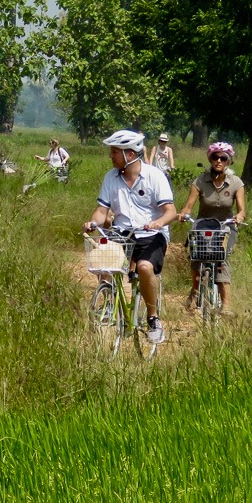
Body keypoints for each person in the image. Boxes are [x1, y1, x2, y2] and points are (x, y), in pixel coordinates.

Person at [82, 129, 177, 344]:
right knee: (102, 260)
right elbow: (101, 210)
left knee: (144, 268)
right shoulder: (110, 177)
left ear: (130, 155)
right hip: (122, 233)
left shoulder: (155, 176)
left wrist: (159, 222)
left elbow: (170, 211)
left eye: (114, 152)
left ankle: (153, 318)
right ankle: (108, 302)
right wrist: (93, 222)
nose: (110, 156)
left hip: (151, 234)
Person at [177, 141, 246, 315]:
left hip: (225, 227)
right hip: (203, 225)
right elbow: (189, 206)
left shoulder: (236, 183)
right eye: (215, 157)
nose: (219, 161)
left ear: (229, 161)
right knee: (197, 256)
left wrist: (239, 217)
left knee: (222, 259)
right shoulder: (200, 180)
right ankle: (194, 291)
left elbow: (241, 209)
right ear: (210, 159)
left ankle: (226, 304)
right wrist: (184, 214)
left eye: (223, 158)